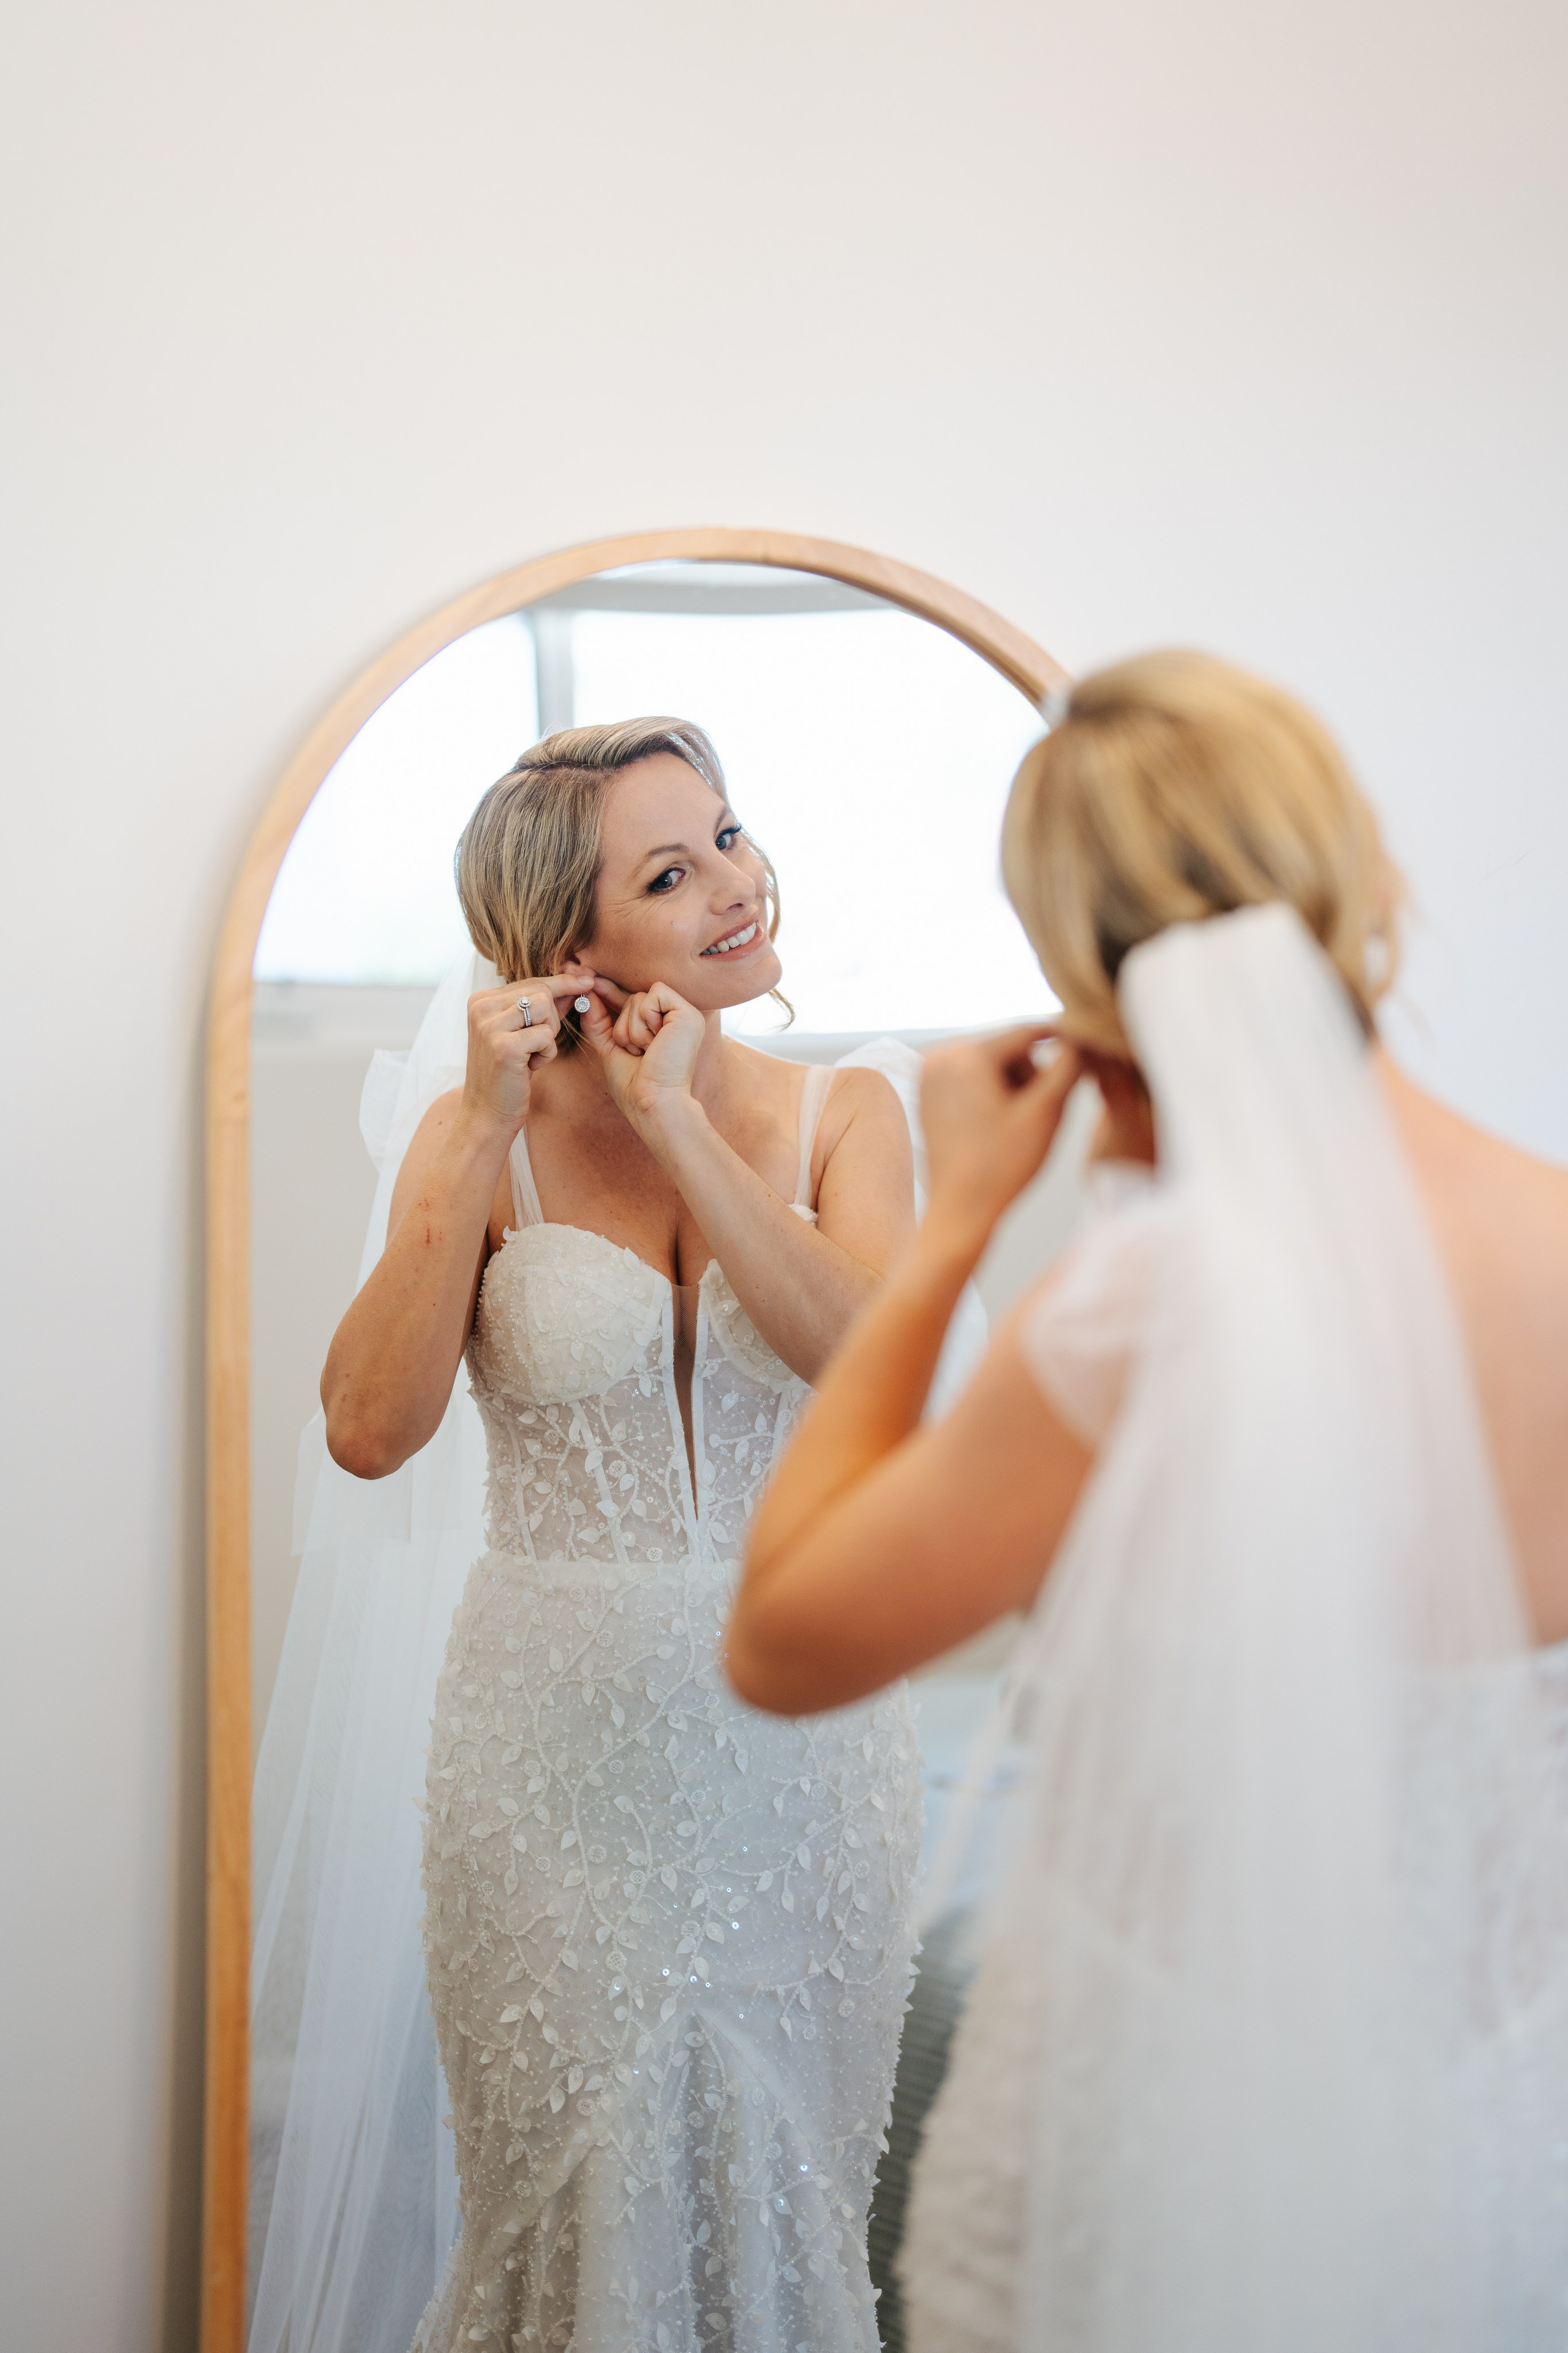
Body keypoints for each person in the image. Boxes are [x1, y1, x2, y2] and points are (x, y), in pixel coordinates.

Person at [726, 653, 1568, 2352]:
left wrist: (955, 1220)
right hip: (1487, 2123)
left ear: (1079, 979)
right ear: (1362, 879)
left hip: (1165, 2122)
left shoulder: (1163, 1299)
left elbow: (784, 1637)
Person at [318, 719, 932, 2353]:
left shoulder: (847, 1113)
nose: (740, 883)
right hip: (545, 1769)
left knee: (788, 2188)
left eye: (730, 835)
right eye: (675, 871)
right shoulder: (484, 1141)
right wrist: (466, 1131)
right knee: (564, 2203)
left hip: (803, 1761)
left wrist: (675, 1125)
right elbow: (370, 1430)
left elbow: (875, 1369)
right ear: (566, 946)